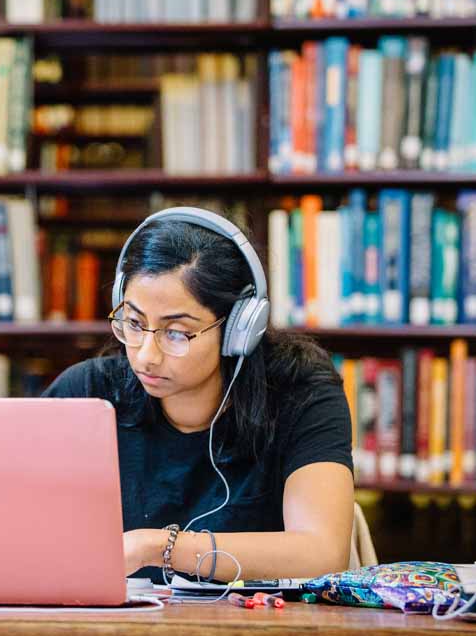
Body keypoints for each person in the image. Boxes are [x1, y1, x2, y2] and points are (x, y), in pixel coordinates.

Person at [42, 207, 354, 584]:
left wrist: (155, 547)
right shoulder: (88, 394)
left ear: (241, 328)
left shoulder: (300, 393)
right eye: (135, 324)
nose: (146, 355)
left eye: (176, 333)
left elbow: (321, 553)